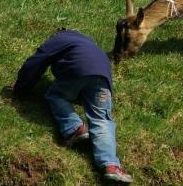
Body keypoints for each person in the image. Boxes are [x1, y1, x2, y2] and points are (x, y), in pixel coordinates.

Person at [13, 29, 133, 183]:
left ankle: (75, 128)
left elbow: (36, 61)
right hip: (103, 77)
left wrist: (20, 89)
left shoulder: (59, 38)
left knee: (56, 95)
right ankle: (111, 166)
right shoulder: (88, 43)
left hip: (77, 70)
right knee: (102, 119)